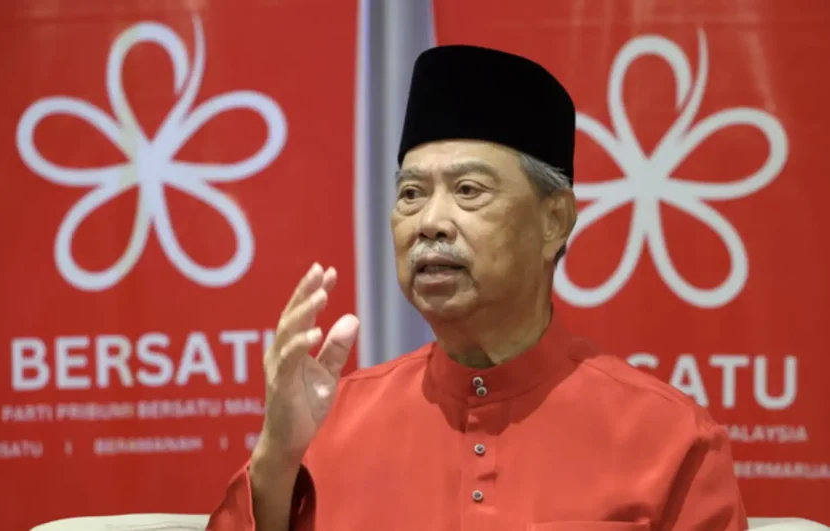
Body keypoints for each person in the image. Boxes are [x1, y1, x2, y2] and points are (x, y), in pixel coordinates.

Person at [207, 45, 747, 531]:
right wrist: (277, 454)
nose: (429, 222)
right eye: (411, 194)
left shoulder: (669, 439)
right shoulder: (327, 424)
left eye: (468, 190)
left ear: (554, 221)